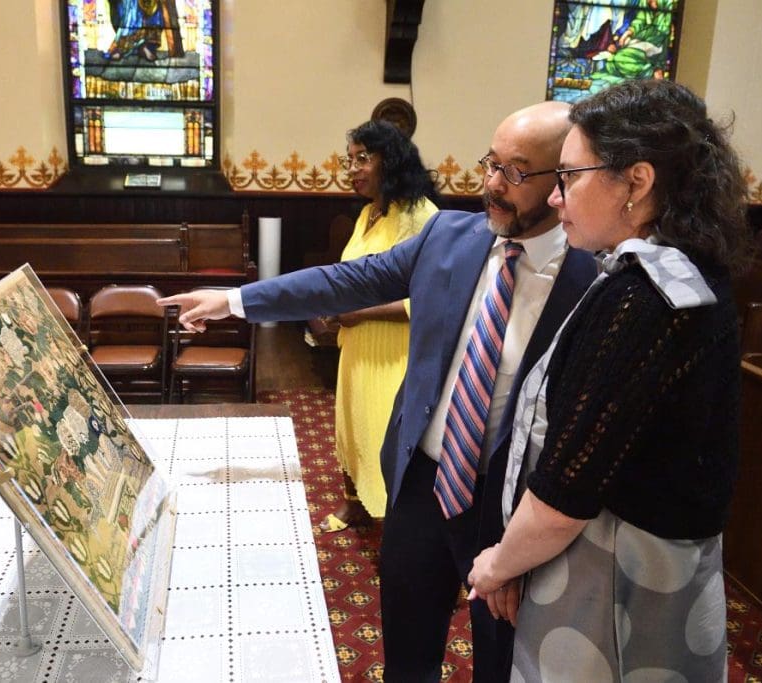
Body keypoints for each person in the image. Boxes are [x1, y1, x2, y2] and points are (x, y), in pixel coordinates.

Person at [159, 101, 598, 681]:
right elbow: (345, 281)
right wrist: (236, 300)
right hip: (420, 482)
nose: (491, 184)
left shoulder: (593, 282)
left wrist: (528, 544)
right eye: (490, 163)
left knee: (502, 659)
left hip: (511, 509)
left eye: (515, 173)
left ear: (562, 180)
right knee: (407, 654)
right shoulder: (448, 235)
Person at [468, 79, 752, 681]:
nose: (555, 198)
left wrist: (497, 563)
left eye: (569, 176)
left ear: (638, 181)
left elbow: (566, 493)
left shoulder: (644, 298)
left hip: (615, 579)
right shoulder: (685, 272)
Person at [316, 119, 439, 533]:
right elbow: (353, 275)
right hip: (356, 347)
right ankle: (354, 504)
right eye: (348, 160)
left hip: (394, 350)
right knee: (351, 424)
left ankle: (398, 525)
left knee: (384, 434)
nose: (351, 169)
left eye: (362, 159)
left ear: (391, 161)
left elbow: (427, 298)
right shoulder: (368, 213)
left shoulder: (421, 216)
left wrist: (360, 313)